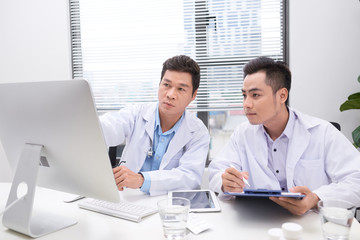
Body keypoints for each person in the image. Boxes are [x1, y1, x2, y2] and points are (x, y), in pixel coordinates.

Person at [208, 56, 360, 215]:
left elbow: (356, 180)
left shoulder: (322, 132)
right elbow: (217, 171)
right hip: (259, 220)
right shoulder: (242, 134)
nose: (246, 104)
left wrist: (316, 198)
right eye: (244, 95)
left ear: (282, 96)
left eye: (255, 95)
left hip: (310, 223)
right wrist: (225, 182)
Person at [100, 55, 210, 196]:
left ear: (194, 95)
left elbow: (189, 177)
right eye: (166, 85)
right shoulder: (137, 113)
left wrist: (142, 180)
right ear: (159, 84)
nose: (170, 94)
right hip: (129, 199)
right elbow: (109, 126)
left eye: (181, 89)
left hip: (170, 206)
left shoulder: (198, 132)